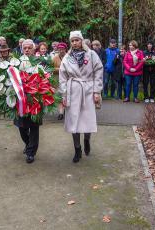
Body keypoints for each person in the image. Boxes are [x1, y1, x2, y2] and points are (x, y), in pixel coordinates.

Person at [59, 31, 103, 163]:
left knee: (87, 119)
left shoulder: (91, 54)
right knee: (74, 121)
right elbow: (62, 77)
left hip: (88, 90)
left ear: (81, 40)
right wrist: (64, 95)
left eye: (77, 40)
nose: (74, 43)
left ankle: (87, 139)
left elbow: (98, 71)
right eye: (72, 41)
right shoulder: (67, 58)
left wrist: (97, 92)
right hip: (73, 91)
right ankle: (77, 149)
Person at [14, 39, 41, 164]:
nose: (27, 50)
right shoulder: (17, 63)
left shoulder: (40, 62)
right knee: (21, 127)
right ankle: (28, 143)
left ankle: (31, 152)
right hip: (21, 101)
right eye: (25, 48)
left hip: (35, 100)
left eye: (29, 48)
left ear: (34, 49)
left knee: (34, 127)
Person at [52, 42, 67, 120]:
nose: (61, 50)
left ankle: (66, 111)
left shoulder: (69, 57)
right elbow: (50, 68)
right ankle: (61, 113)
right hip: (57, 79)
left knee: (66, 96)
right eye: (59, 49)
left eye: (62, 49)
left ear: (65, 49)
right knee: (59, 97)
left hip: (67, 80)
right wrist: (60, 69)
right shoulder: (55, 58)